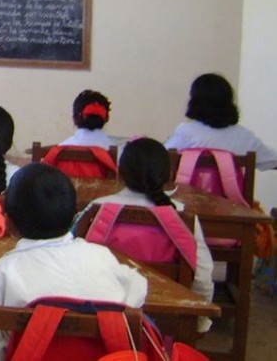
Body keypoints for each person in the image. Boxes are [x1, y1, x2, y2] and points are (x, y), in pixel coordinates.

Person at [0, 163, 147, 361]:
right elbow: (139, 289)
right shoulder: (102, 257)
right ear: (73, 214)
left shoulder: (1, 273)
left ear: (7, 219)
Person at [79, 137, 214, 333]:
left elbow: (77, 260)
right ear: (169, 175)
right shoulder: (181, 215)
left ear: (120, 173)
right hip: (168, 313)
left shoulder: (97, 209)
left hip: (105, 312)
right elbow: (202, 272)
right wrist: (199, 319)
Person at [165, 73, 277, 170]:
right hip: (232, 195)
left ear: (195, 102)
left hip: (189, 194)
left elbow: (159, 160)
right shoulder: (244, 137)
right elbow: (273, 161)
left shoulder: (186, 132)